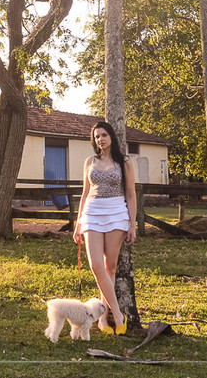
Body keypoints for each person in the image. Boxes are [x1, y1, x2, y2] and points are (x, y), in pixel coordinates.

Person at [72, 120, 137, 336]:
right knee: (96, 266)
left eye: (104, 135)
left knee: (110, 268)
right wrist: (78, 222)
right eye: (97, 136)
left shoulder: (124, 162)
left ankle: (102, 320)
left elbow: (130, 194)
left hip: (117, 213)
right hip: (92, 212)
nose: (100, 139)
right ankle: (118, 315)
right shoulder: (90, 161)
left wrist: (132, 223)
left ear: (111, 137)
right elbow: (84, 192)